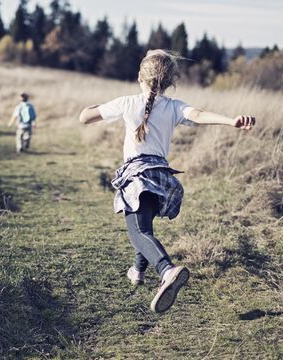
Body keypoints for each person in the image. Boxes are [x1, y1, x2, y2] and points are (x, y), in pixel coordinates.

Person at [78, 50, 255, 314]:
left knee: (138, 232)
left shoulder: (127, 103)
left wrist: (92, 107)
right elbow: (201, 115)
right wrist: (232, 121)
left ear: (140, 76)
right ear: (170, 82)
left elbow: (84, 117)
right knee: (144, 224)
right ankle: (137, 271)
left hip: (137, 175)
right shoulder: (174, 106)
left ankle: (167, 270)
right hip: (160, 176)